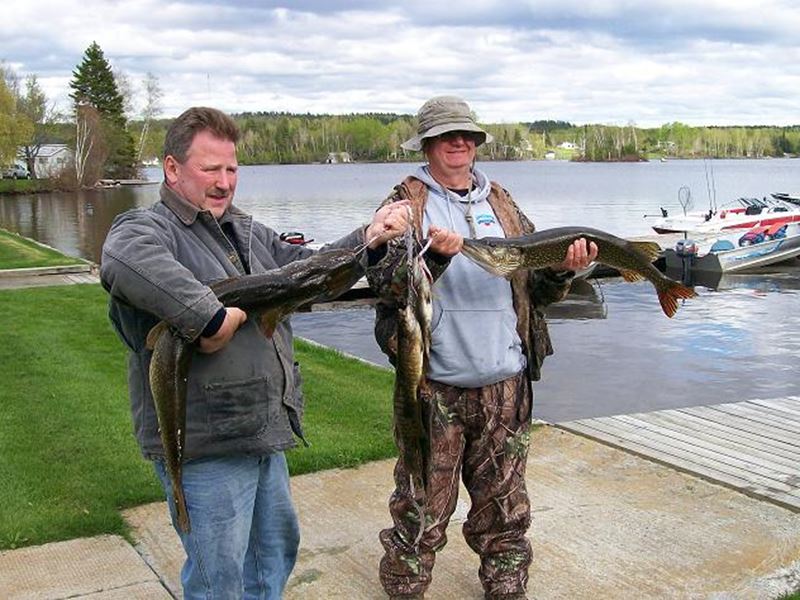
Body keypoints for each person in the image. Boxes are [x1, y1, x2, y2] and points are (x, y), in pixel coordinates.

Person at [100, 106, 410, 600]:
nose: (225, 182)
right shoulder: (144, 228)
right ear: (172, 168)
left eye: (232, 169)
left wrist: (369, 240)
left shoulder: (245, 230)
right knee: (217, 579)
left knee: (273, 558)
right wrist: (207, 314)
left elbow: (310, 272)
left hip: (261, 428)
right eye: (210, 169)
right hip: (204, 445)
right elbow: (122, 259)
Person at [367, 96, 598, 600]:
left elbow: (536, 290)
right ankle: (406, 591)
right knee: (420, 513)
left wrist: (563, 269)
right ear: (426, 144)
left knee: (506, 512)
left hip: (505, 386)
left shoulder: (504, 206)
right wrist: (438, 262)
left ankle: (507, 590)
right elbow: (385, 284)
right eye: (448, 135)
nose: (460, 143)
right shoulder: (405, 206)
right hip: (435, 388)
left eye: (467, 135)